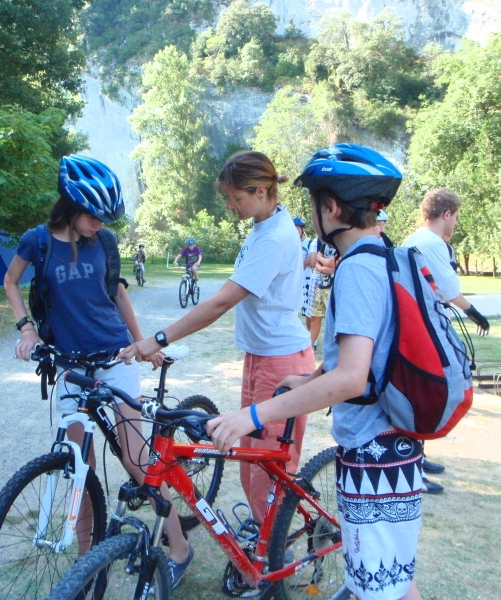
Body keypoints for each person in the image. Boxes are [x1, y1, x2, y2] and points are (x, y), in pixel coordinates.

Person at [207, 143, 424, 600]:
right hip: (390, 447)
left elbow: (351, 379)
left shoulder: (359, 269)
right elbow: (365, 355)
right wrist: (310, 378)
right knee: (388, 583)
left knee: (384, 591)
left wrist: (255, 414)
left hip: (374, 452)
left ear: (330, 206)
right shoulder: (383, 256)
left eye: (313, 203)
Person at [3, 155, 193, 587]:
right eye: (93, 216)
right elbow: (10, 282)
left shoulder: (104, 243)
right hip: (70, 368)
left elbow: (119, 295)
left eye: (104, 218)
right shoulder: (37, 241)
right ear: (70, 207)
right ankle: (87, 563)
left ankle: (179, 546)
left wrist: (143, 344)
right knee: (80, 469)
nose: (100, 224)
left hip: (115, 360)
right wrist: (27, 329)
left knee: (136, 457)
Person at [119, 151, 315, 527]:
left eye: (235, 198)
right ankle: (265, 535)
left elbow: (222, 302)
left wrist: (158, 339)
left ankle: (270, 559)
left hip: (282, 362)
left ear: (260, 191)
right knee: (249, 462)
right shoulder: (265, 225)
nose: (229, 206)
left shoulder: (274, 236)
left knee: (268, 470)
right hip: (262, 357)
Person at [401, 188, 489, 495]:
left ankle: (417, 458)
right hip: (424, 328)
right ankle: (413, 469)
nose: (456, 224)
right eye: (457, 216)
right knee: (426, 392)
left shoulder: (416, 239)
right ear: (447, 213)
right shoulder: (431, 243)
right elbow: (450, 290)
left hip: (418, 324)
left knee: (420, 392)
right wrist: (475, 313)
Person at [306, 236, 337, 350]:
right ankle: (308, 349)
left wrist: (324, 263)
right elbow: (317, 258)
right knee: (314, 317)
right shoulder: (325, 242)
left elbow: (334, 261)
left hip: (334, 287)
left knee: (332, 321)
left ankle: (333, 351)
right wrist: (325, 268)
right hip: (321, 285)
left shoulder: (341, 242)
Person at [294, 217, 315, 325]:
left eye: (297, 229)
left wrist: (295, 263)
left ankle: (312, 338)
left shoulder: (310, 243)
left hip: (307, 280)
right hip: (293, 281)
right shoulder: (291, 244)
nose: (295, 232)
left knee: (308, 311)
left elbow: (311, 261)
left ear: (303, 230)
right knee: (292, 311)